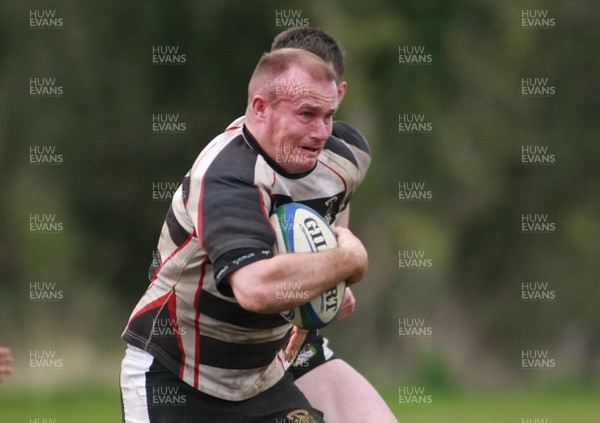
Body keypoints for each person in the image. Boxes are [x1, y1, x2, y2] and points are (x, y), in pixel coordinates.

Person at [120, 48, 368, 422]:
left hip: (260, 378)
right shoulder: (227, 176)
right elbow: (255, 289)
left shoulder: (345, 154)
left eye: (328, 115)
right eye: (306, 114)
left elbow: (336, 196)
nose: (321, 132)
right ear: (260, 107)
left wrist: (327, 278)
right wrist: (347, 260)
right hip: (177, 377)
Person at [269, 27, 399, 423]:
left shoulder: (350, 157)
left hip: (296, 349)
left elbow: (336, 231)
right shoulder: (239, 164)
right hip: (221, 360)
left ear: (338, 93)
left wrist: (332, 282)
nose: (313, 125)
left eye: (320, 106)